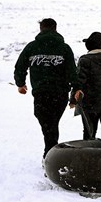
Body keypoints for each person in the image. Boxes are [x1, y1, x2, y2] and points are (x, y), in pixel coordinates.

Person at [14, 18, 82, 164]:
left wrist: (20, 84)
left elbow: (20, 66)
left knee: (48, 124)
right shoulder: (64, 48)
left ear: (41, 29)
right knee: (51, 124)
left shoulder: (32, 47)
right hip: (60, 94)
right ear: (55, 29)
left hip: (41, 93)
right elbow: (72, 71)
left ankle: (50, 157)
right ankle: (51, 154)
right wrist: (76, 88)